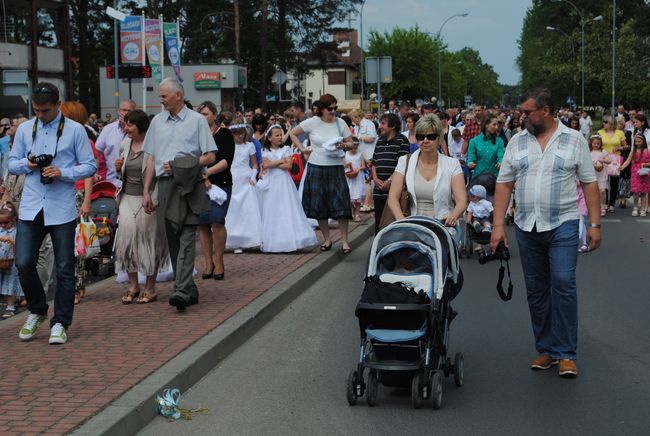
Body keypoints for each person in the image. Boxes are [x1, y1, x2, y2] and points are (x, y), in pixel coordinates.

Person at [491, 87, 601, 377]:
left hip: (563, 222)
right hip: (527, 226)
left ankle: (566, 353)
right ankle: (547, 350)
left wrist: (594, 224)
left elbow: (589, 183)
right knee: (537, 290)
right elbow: (504, 184)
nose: (522, 116)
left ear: (546, 111)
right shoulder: (517, 142)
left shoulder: (574, 140)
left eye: (527, 112)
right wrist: (498, 225)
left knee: (563, 282)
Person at [10, 82, 97, 344]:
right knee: (23, 263)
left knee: (64, 267)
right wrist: (28, 163)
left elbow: (90, 166)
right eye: (36, 110)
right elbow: (12, 164)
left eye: (45, 110)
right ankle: (37, 310)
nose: (41, 115)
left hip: (61, 206)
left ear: (58, 105)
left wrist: (63, 172)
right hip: (31, 205)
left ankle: (60, 322)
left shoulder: (75, 130)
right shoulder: (26, 129)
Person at [142, 78, 217, 312]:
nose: (160, 100)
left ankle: (182, 290)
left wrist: (185, 165)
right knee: (173, 237)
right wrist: (147, 191)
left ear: (178, 95)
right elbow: (152, 158)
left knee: (187, 235)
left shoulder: (197, 121)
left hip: (191, 185)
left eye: (164, 96)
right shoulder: (156, 122)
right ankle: (188, 287)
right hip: (165, 187)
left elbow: (210, 156)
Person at [114, 109, 169, 304]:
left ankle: (150, 287)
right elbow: (122, 172)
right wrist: (117, 166)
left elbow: (160, 174)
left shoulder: (154, 145)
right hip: (127, 197)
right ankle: (133, 285)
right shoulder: (125, 144)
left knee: (149, 240)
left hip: (150, 199)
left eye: (130, 125)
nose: (126, 128)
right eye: (125, 124)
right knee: (127, 240)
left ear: (141, 127)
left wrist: (153, 197)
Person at [289, 94, 353, 253]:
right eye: (330, 108)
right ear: (322, 109)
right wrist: (303, 149)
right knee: (319, 204)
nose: (333, 111)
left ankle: (345, 241)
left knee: (341, 205)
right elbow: (292, 133)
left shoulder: (341, 122)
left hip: (336, 167)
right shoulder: (313, 122)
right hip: (316, 166)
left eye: (335, 108)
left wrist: (343, 145)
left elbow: (352, 142)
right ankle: (327, 239)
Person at [386, 114, 467, 231]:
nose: (425, 140)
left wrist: (452, 217)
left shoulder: (452, 164)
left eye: (431, 136)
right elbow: (393, 197)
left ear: (439, 138)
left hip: (443, 227)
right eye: (420, 136)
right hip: (412, 227)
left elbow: (462, 201)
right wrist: (401, 220)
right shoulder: (404, 161)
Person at [59, 101, 101, 305]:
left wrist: (86, 201)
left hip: (76, 194)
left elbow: (89, 174)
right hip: (61, 194)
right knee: (66, 244)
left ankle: (76, 286)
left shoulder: (84, 140)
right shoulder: (60, 138)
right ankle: (73, 285)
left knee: (77, 245)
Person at [258, 125, 317, 252]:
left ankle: (292, 238)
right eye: (276, 135)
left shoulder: (286, 149)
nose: (280, 137)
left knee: (287, 207)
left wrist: (274, 164)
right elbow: (265, 164)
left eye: (281, 135)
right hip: (271, 182)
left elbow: (289, 166)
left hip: (284, 182)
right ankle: (275, 240)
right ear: (269, 138)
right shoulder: (264, 150)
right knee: (272, 208)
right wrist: (280, 161)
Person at [196, 102, 234, 281]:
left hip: (220, 182)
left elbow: (226, 160)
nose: (203, 117)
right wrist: (201, 177)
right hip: (200, 184)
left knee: (217, 221)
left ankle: (219, 261)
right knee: (203, 223)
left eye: (206, 114)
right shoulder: (196, 135)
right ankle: (208, 262)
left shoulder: (224, 134)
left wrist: (207, 173)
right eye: (200, 114)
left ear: (213, 115)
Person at [225, 123, 263, 252]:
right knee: (233, 209)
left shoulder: (250, 146)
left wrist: (253, 176)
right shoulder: (228, 147)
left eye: (242, 133)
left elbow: (254, 165)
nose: (240, 135)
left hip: (246, 179)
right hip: (232, 177)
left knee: (247, 210)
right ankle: (233, 240)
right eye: (237, 133)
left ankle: (249, 239)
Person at [371, 113, 410, 234]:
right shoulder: (380, 141)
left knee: (392, 223)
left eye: (383, 123)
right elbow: (374, 161)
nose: (380, 126)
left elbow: (403, 164)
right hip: (378, 190)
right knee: (378, 225)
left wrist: (389, 181)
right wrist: (375, 178)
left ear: (392, 126)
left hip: (393, 190)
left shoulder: (402, 140)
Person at [95, 100, 137, 187]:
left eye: (130, 111)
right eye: (124, 110)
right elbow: (96, 153)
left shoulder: (139, 131)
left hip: (134, 183)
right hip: (112, 182)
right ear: (118, 111)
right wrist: (94, 173)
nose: (126, 113)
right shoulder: (108, 129)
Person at [597, 114, 626, 213]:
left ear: (611, 123)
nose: (603, 124)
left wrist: (619, 148)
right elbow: (596, 144)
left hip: (615, 160)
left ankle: (612, 203)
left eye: (605, 122)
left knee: (614, 183)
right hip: (603, 159)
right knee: (603, 182)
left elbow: (626, 146)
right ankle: (603, 203)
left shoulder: (619, 133)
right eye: (603, 122)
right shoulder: (600, 132)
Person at [0, 201, 23, 318]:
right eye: (0, 223)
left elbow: (19, 245)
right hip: (1, 261)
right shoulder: (0, 230)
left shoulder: (16, 231)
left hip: (11, 262)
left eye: (5, 222)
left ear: (13, 219)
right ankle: (5, 302)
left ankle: (10, 306)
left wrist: (9, 239)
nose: (3, 225)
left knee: (11, 283)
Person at [620, 133, 650, 216]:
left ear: (643, 141)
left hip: (645, 172)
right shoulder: (633, 151)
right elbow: (628, 161)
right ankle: (635, 207)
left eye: (639, 141)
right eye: (636, 141)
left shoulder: (647, 151)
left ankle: (643, 209)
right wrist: (622, 167)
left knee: (644, 192)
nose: (637, 143)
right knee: (635, 191)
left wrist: (646, 164)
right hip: (635, 172)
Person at [467, 114, 505, 179]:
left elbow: (500, 156)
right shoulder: (474, 141)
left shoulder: (499, 141)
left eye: (497, 125)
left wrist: (500, 162)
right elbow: (471, 158)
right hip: (478, 177)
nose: (496, 127)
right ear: (486, 125)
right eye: (494, 124)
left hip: (494, 177)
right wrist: (470, 163)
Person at [588, 135, 611, 216]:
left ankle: (603, 207)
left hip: (602, 173)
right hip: (592, 173)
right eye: (594, 143)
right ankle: (594, 207)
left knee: (602, 191)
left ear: (601, 144)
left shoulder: (603, 151)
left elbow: (609, 161)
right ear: (591, 143)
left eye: (598, 144)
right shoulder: (588, 152)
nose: (596, 145)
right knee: (593, 191)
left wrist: (602, 160)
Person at [344, 139, 365, 222]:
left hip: (358, 178)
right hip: (349, 177)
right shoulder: (346, 154)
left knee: (358, 196)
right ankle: (352, 211)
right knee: (349, 195)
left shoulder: (360, 155)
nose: (353, 150)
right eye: (352, 148)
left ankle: (357, 213)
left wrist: (359, 168)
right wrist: (346, 165)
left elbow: (363, 166)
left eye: (355, 148)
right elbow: (343, 165)